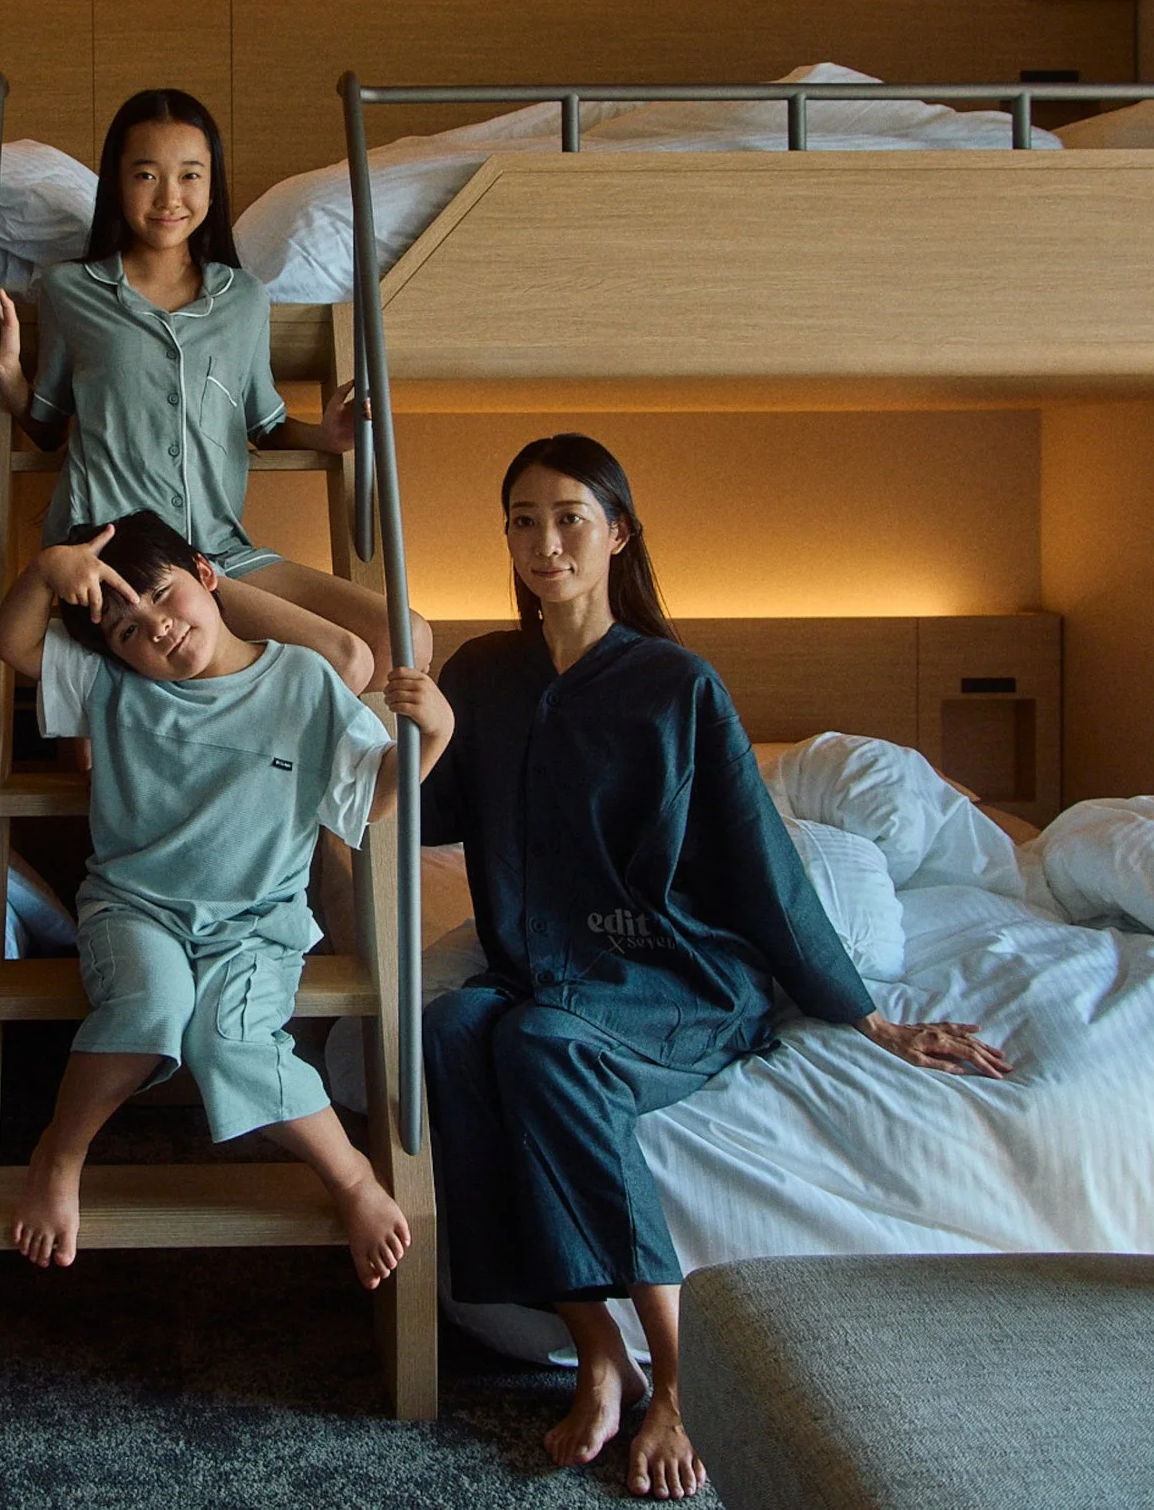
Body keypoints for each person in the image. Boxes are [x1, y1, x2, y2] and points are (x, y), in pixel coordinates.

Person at [421, 434, 1011, 1501]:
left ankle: (678, 1379)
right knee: (455, 1029)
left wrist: (865, 1017)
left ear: (616, 534)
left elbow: (761, 862)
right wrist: (406, 732)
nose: (542, 541)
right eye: (520, 518)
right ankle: (592, 1344)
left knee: (540, 1042)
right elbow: (428, 815)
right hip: (547, 970)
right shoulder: (482, 675)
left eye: (567, 517)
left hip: (678, 977)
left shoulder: (674, 685)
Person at [0, 510, 451, 1288]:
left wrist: (432, 738)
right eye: (128, 629)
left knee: (231, 1040)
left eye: (164, 599)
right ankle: (58, 1156)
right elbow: (12, 644)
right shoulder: (111, 682)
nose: (156, 632)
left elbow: (370, 799)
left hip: (256, 924)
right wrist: (43, 573)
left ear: (207, 575)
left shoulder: (304, 679)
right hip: (136, 909)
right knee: (152, 1007)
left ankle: (353, 1180)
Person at [0, 87, 428, 690]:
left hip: (218, 549)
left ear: (212, 187)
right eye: (146, 174)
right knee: (346, 659)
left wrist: (324, 435)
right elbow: (44, 426)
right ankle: (243, 755)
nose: (170, 196)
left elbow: (263, 425)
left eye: (190, 175)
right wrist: (8, 374)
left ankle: (240, 726)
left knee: (405, 638)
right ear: (117, 183)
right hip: (126, 562)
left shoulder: (244, 298)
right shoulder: (72, 292)